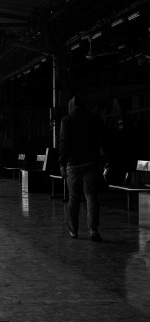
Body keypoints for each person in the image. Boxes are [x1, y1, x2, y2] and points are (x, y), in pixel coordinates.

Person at [58, 95, 108, 241]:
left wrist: (62, 164)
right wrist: (108, 161)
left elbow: (63, 143)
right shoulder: (95, 118)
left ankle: (73, 231)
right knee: (91, 196)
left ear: (71, 107)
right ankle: (93, 230)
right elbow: (105, 140)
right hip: (91, 162)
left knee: (74, 197)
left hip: (73, 164)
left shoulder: (66, 121)